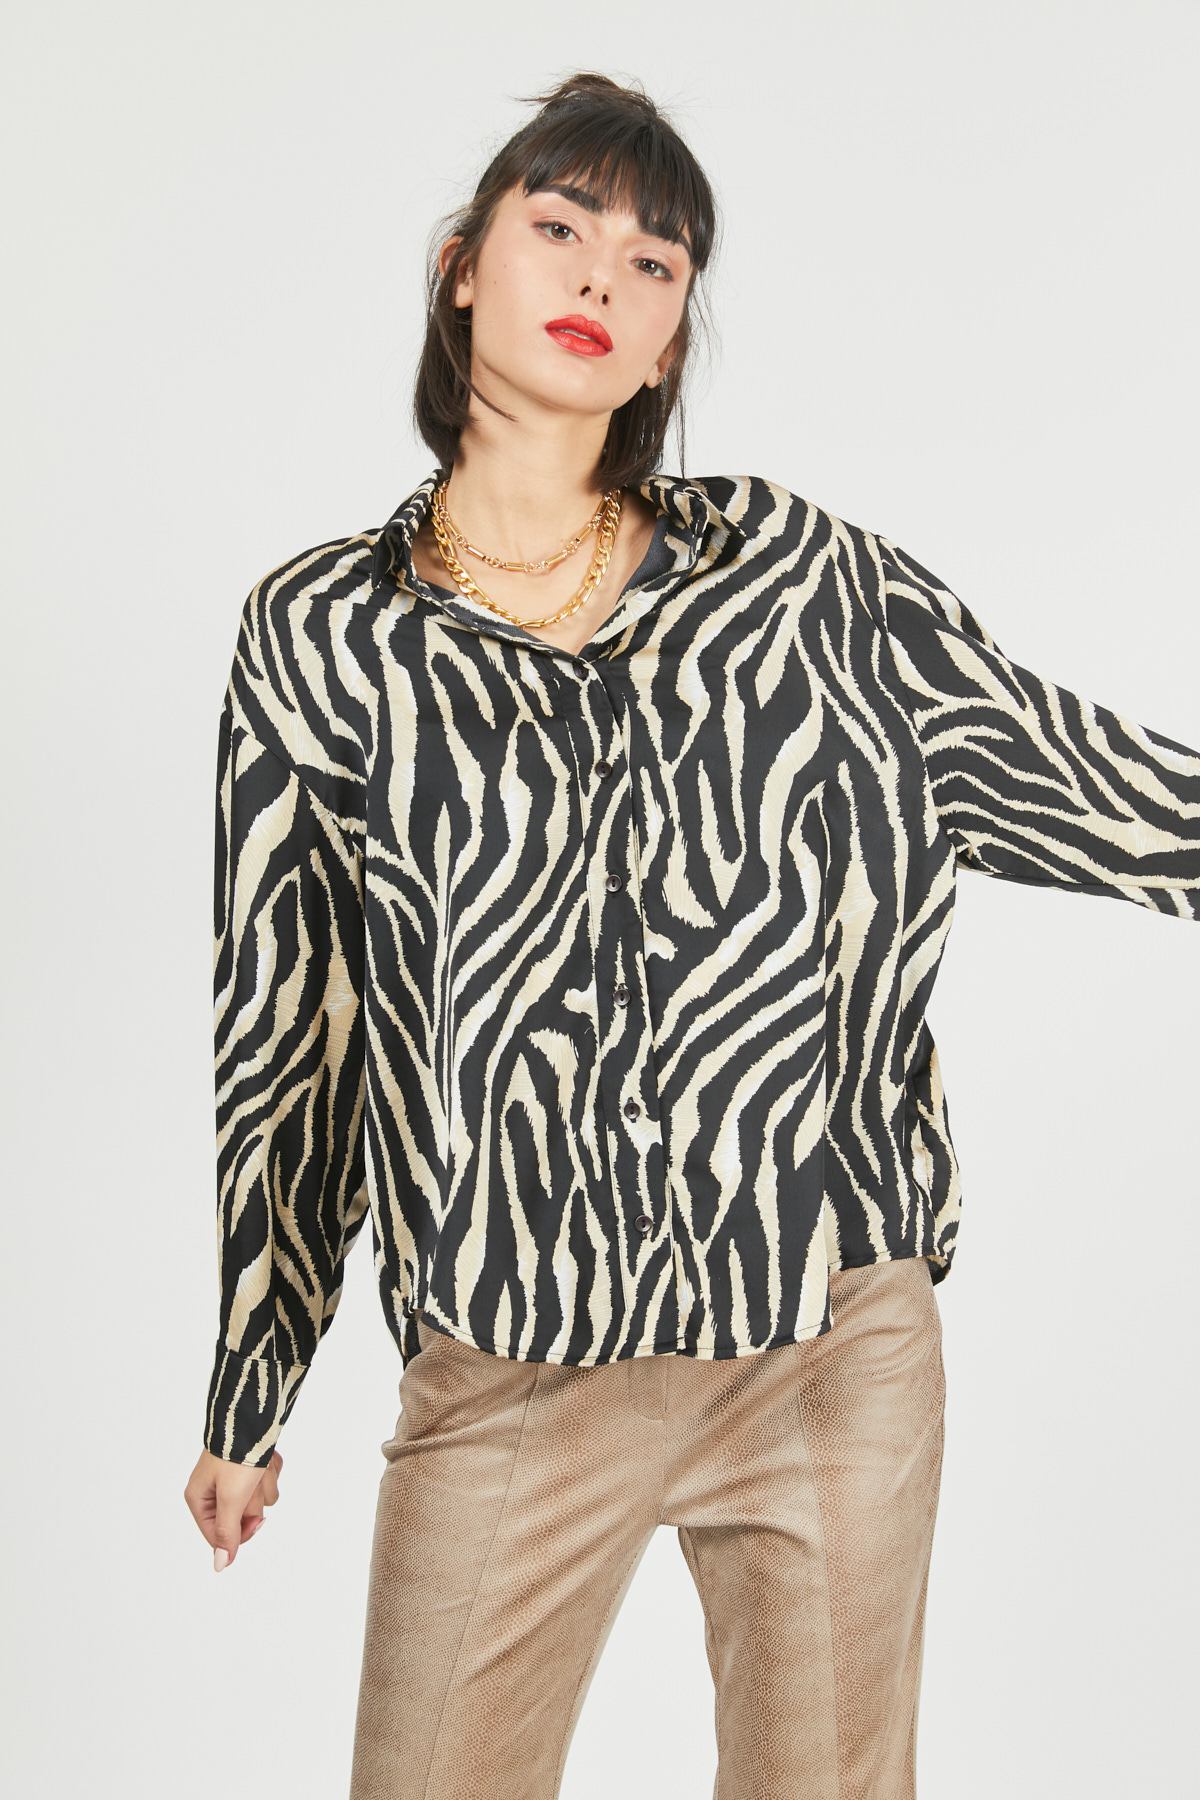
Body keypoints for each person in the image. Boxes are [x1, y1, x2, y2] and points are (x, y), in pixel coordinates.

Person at [183, 70, 1200, 1800]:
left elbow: (1078, 776)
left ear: (669, 342)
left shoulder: (805, 584)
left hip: (826, 1339)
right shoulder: (323, 631)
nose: (604, 274)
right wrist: (251, 1374)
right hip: (513, 1356)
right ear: (463, 267)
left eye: (655, 262)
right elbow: (294, 1021)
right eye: (560, 228)